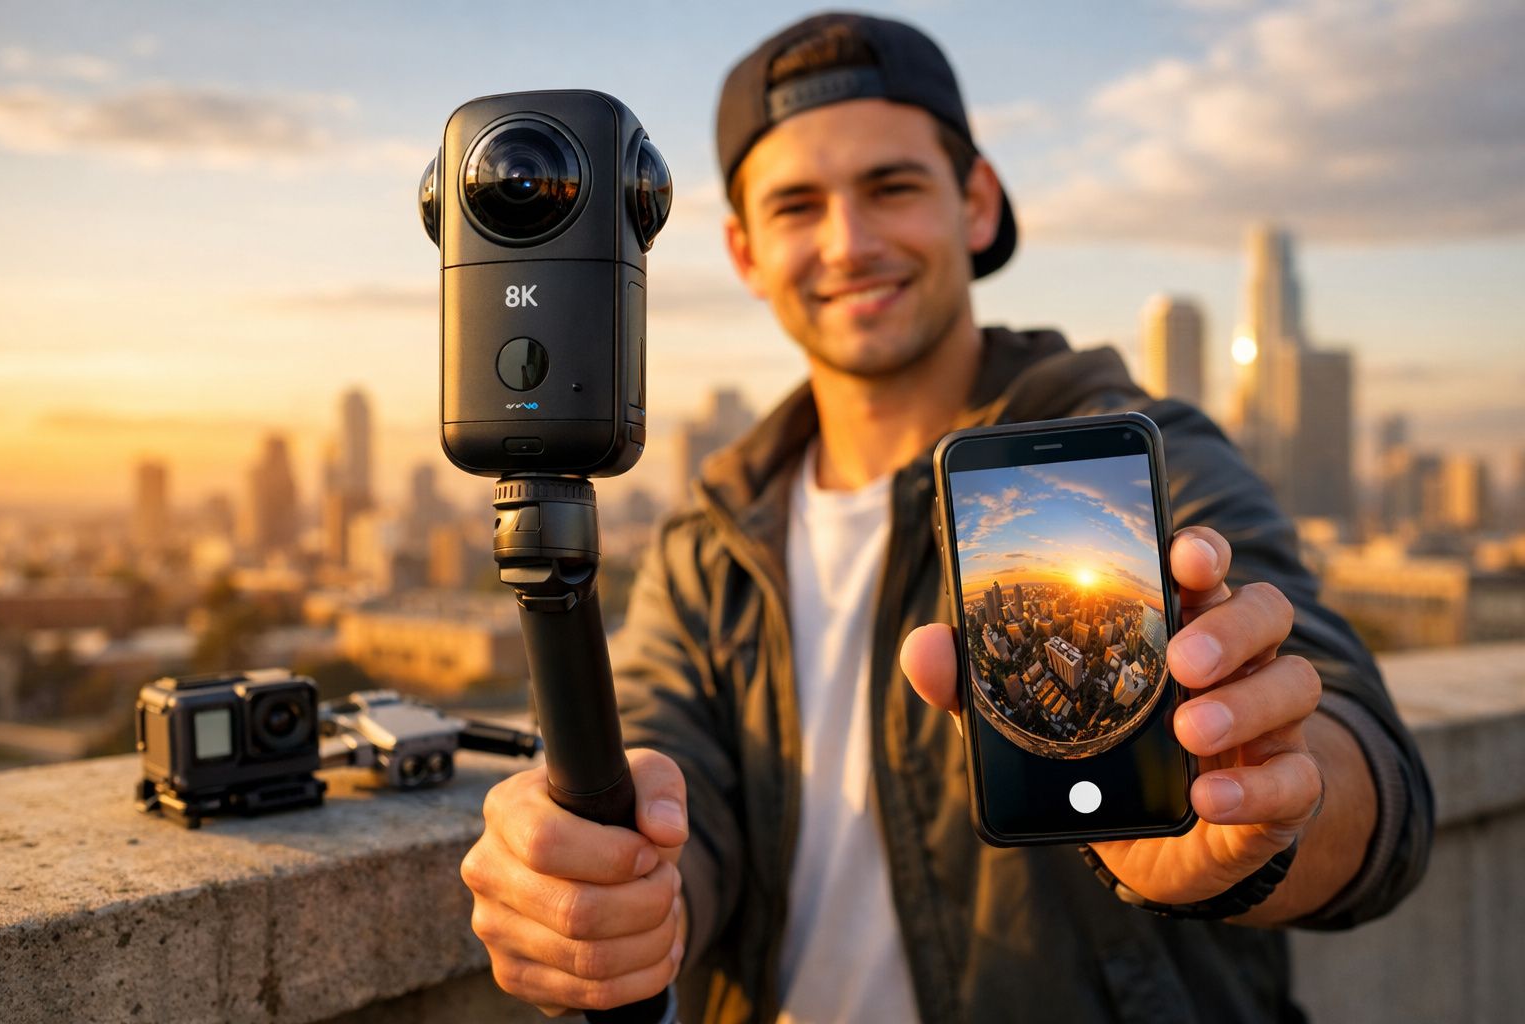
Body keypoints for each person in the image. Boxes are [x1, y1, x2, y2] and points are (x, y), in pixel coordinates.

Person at [459, 12, 1433, 1022]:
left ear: (976, 203)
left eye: (892, 187)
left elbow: (1370, 774)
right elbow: (671, 789)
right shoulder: (709, 545)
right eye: (797, 206)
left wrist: (1270, 803)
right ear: (746, 253)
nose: (849, 242)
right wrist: (610, 889)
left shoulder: (1130, 457)